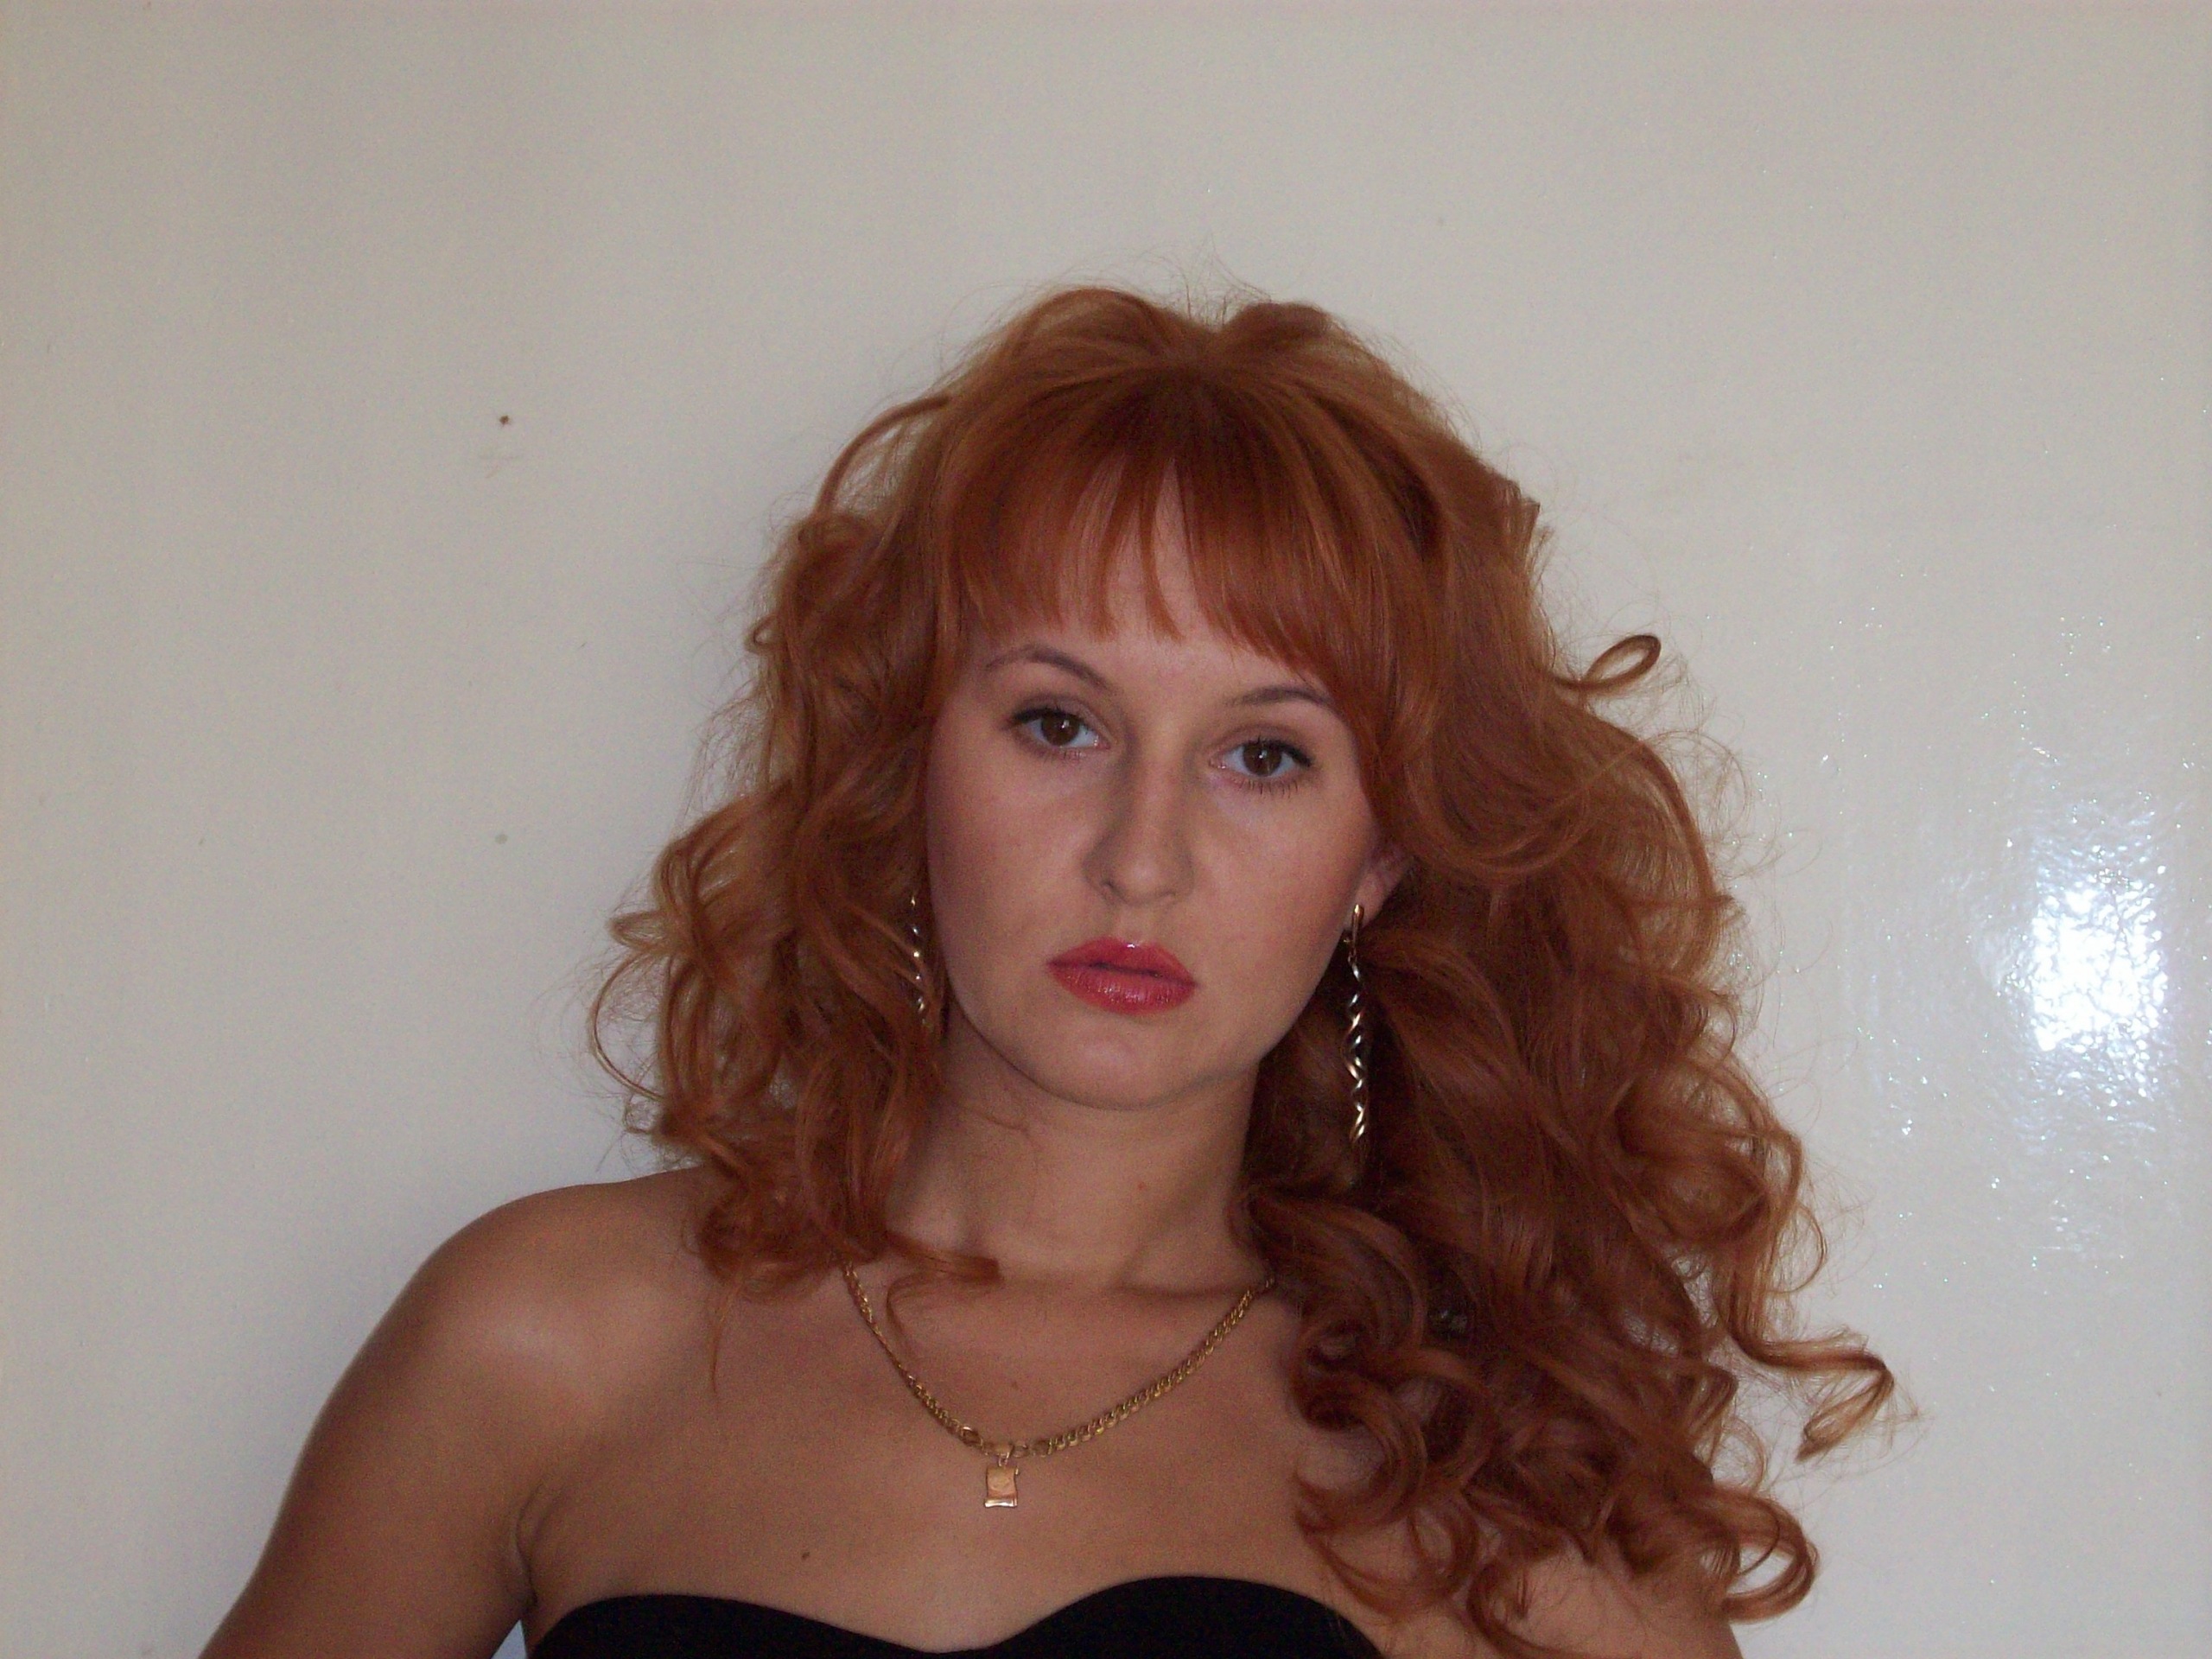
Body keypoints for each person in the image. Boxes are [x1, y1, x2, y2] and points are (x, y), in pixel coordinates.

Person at [201, 285, 1891, 1659]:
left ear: (1381, 858)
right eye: (1059, 725)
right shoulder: (545, 1338)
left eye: (1265, 757)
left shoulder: (1498, 1483)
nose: (1140, 858)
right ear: (907, 768)